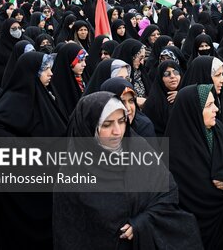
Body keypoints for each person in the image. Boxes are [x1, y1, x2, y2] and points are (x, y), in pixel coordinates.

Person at [53, 91, 203, 250]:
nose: (117, 131)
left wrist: (142, 223)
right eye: (107, 124)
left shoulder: (138, 148)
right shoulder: (71, 175)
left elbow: (168, 191)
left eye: (122, 121)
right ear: (89, 128)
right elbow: (69, 236)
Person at [0, 52, 66, 250]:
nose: (50, 73)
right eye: (45, 70)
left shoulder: (45, 94)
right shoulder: (17, 98)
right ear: (31, 73)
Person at [165, 84, 223, 249]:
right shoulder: (175, 149)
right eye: (209, 105)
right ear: (194, 111)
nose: (216, 109)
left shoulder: (217, 130)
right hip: (196, 230)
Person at [141, 60, 182, 137]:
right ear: (160, 78)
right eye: (167, 74)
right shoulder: (153, 102)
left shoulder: (185, 96)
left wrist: (181, 97)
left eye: (176, 72)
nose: (172, 76)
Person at [51, 43, 88, 118]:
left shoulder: (82, 78)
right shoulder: (57, 85)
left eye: (84, 60)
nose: (84, 64)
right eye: (80, 61)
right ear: (69, 61)